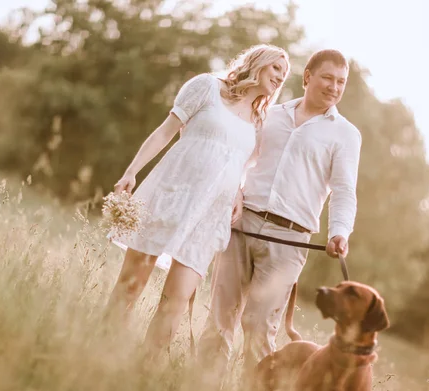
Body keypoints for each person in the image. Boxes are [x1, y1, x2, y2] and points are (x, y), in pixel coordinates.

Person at [196, 48, 362, 391]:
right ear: (307, 77)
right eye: (328, 78)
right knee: (219, 320)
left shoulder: (345, 134)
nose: (334, 87)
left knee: (259, 328)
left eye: (341, 82)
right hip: (241, 225)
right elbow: (242, 158)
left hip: (290, 242)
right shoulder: (271, 112)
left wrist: (339, 232)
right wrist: (236, 191)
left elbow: (345, 190)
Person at [105, 44, 291, 355]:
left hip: (209, 215)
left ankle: (145, 371)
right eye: (276, 68)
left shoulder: (259, 120)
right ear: (259, 62)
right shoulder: (206, 86)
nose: (280, 76)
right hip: (171, 194)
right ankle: (99, 349)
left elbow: (239, 165)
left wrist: (239, 194)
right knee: (130, 284)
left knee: (175, 302)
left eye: (284, 75)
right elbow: (166, 132)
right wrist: (131, 172)